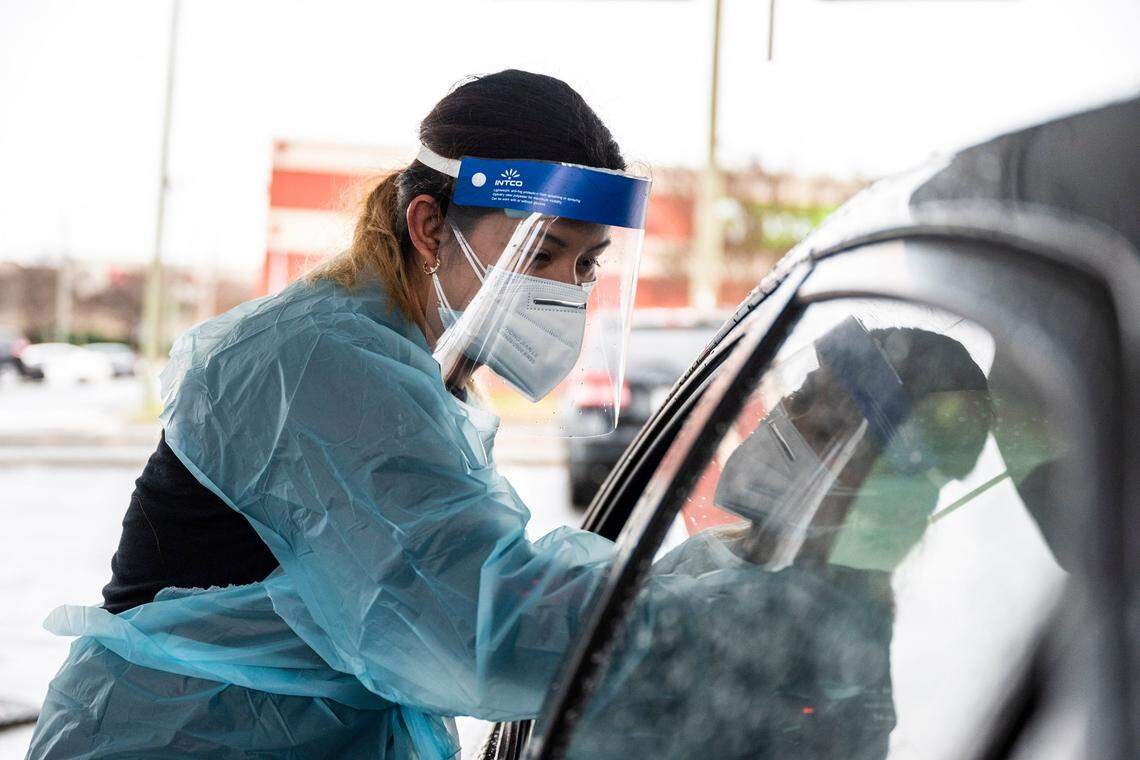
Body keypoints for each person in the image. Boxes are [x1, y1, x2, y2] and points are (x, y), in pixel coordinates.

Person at [27, 70, 651, 760]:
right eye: (540, 253)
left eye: (588, 265)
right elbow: (480, 628)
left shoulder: (409, 360)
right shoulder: (322, 364)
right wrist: (721, 613)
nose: (567, 291)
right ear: (430, 227)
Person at [561, 319, 994, 760]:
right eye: (798, 396)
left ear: (879, 502)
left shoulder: (772, 618)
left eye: (826, 431)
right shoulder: (724, 554)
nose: (787, 419)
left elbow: (548, 644)